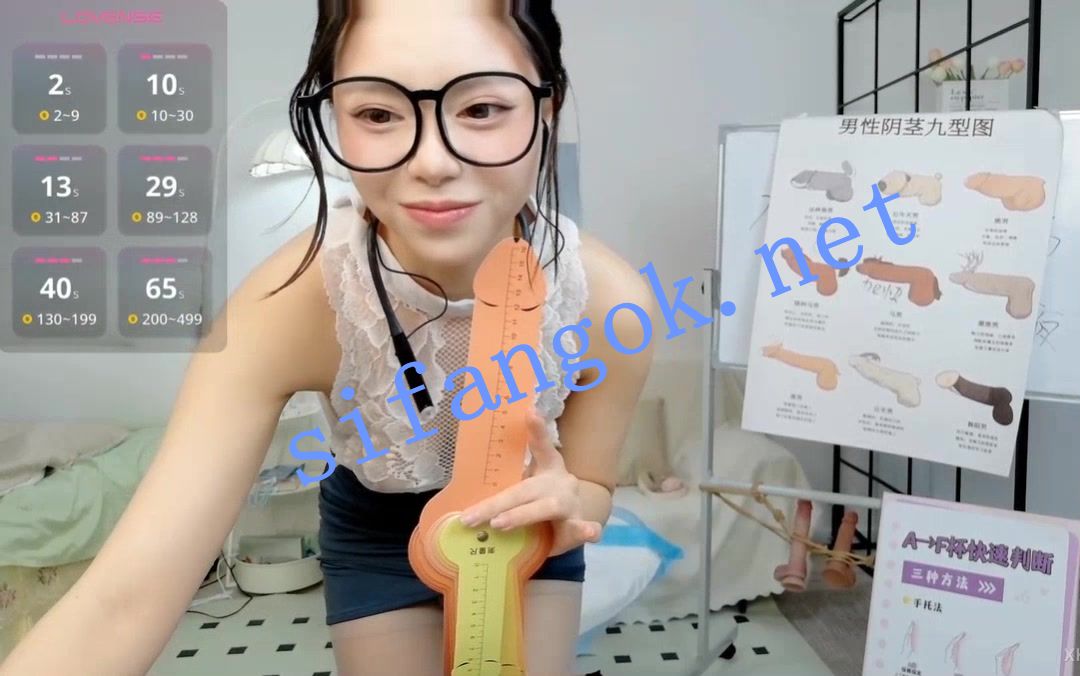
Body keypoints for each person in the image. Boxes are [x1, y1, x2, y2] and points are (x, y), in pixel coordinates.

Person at [0, 1, 654, 674]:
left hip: (521, 528)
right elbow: (124, 597)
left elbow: (593, 483)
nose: (432, 161)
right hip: (377, 535)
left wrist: (571, 502)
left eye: (482, 109)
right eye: (378, 114)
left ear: (547, 108)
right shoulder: (290, 306)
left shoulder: (611, 305)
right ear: (335, 116)